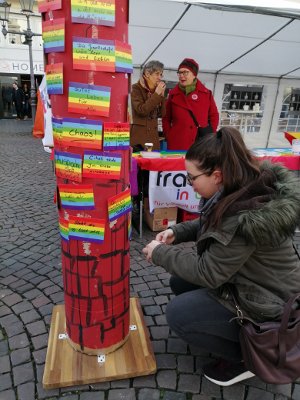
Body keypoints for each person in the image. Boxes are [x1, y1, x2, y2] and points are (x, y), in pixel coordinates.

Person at [142, 127, 300, 386]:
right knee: (178, 282)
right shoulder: (237, 188)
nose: (189, 182)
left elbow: (208, 271)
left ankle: (252, 356)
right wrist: (177, 232)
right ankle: (230, 332)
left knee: (178, 314)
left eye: (191, 178)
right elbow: (212, 226)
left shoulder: (245, 213)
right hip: (250, 282)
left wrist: (160, 253)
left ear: (216, 175)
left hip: (270, 303)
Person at [162, 58, 219, 150]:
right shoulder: (173, 94)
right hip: (177, 143)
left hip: (200, 143)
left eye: (185, 72)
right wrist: (169, 135)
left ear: (194, 75)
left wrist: (210, 134)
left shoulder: (206, 93)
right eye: (179, 73)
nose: (181, 76)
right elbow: (166, 118)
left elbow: (214, 115)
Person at [130, 60, 166, 151]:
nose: (159, 77)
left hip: (153, 139)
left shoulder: (155, 91)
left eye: (161, 74)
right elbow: (141, 110)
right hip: (140, 139)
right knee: (140, 163)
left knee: (153, 163)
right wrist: (157, 94)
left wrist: (162, 96)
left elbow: (163, 113)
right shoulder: (136, 88)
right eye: (157, 74)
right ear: (147, 73)